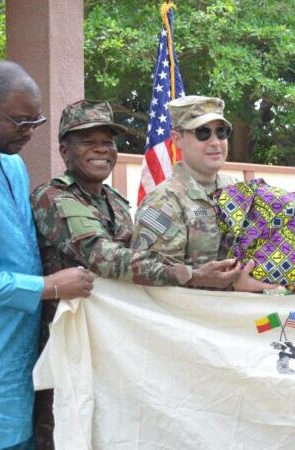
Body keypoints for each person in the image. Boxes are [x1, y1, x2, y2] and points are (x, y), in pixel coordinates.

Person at [30, 99, 244, 449]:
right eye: (88, 140)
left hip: (113, 350)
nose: (101, 149)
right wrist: (190, 274)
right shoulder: (54, 197)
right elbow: (104, 257)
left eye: (108, 141)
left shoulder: (114, 202)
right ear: (63, 149)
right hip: (68, 346)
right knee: (63, 429)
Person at [0, 60, 93, 449]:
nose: (29, 133)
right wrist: (47, 286)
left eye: (36, 122)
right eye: (20, 123)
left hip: (20, 364)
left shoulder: (13, 166)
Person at [131, 95, 270, 292]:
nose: (215, 142)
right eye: (202, 133)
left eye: (221, 133)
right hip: (189, 318)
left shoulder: (237, 190)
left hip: (237, 315)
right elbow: (148, 276)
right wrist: (196, 277)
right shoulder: (163, 201)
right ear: (177, 139)